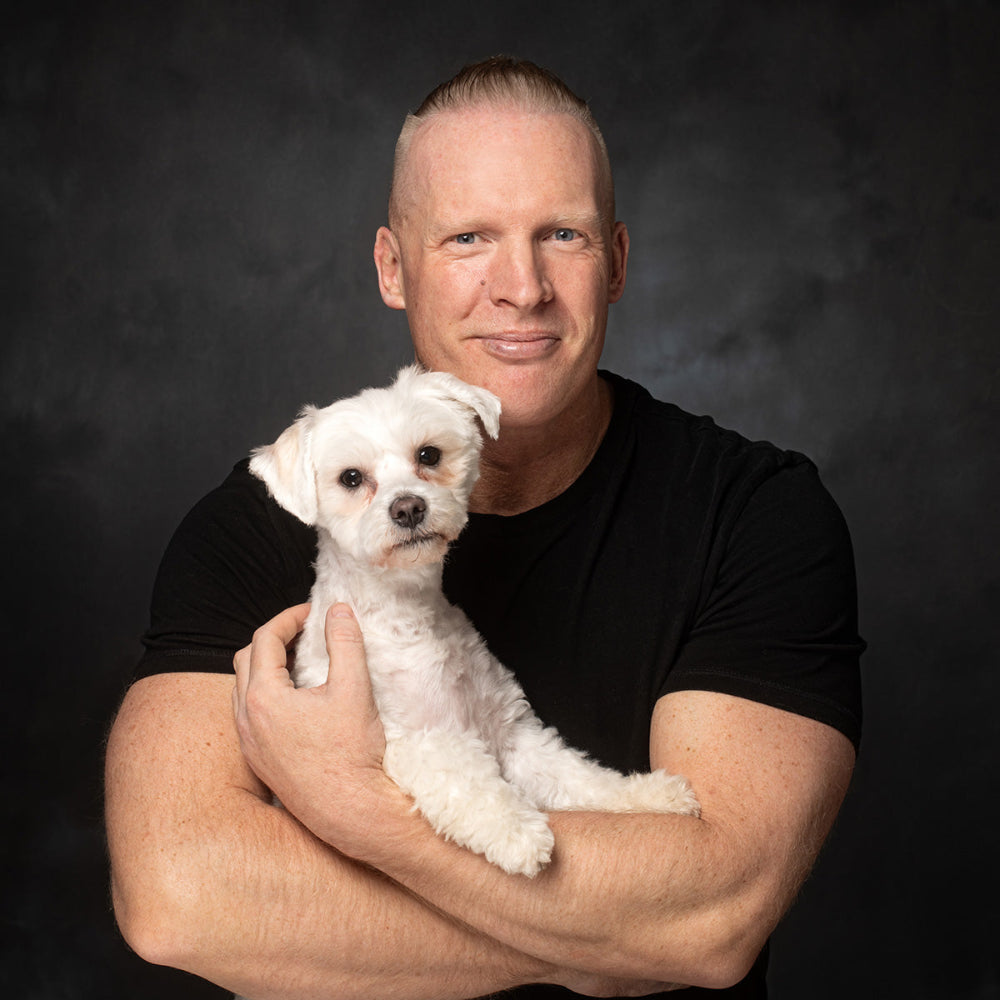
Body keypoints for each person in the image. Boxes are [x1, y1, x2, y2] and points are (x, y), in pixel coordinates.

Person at [105, 57, 863, 998]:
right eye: (468, 237)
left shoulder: (757, 512)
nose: (522, 287)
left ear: (616, 263)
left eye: (564, 235)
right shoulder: (256, 527)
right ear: (393, 267)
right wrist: (617, 940)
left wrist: (355, 806)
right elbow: (177, 898)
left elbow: (712, 923)